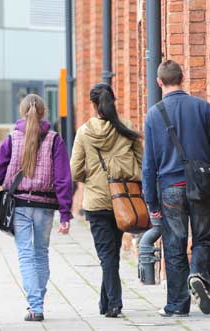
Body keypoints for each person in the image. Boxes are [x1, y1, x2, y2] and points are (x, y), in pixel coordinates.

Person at [143, 60, 210, 317]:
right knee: (203, 237)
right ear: (183, 77)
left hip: (170, 187)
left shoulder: (154, 114)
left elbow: (149, 164)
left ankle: (178, 305)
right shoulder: (202, 108)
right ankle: (197, 272)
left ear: (159, 82)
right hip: (201, 186)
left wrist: (152, 202)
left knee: (173, 244)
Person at [0, 93, 73, 322]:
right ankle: (38, 302)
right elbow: (63, 179)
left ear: (22, 112)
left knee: (26, 255)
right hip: (45, 205)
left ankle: (35, 306)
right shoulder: (55, 139)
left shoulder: (12, 138)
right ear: (44, 112)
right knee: (41, 254)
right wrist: (65, 213)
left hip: (19, 205)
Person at [70, 84, 143, 318]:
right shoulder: (126, 129)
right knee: (111, 253)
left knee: (107, 255)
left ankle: (114, 303)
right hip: (123, 200)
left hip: (97, 201)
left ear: (93, 105)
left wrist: (91, 178)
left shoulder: (84, 132)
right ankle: (106, 302)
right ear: (113, 102)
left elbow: (74, 171)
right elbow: (142, 164)